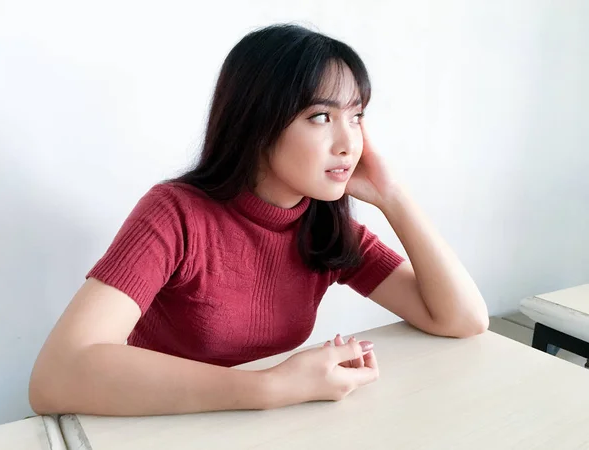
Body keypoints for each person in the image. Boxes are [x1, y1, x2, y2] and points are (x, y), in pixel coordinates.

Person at [29, 23, 488, 417]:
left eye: (357, 116)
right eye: (321, 116)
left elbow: (463, 319)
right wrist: (271, 387)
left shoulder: (324, 228)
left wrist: (393, 196)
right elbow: (56, 376)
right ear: (258, 121)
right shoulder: (176, 215)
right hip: (161, 427)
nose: (349, 142)